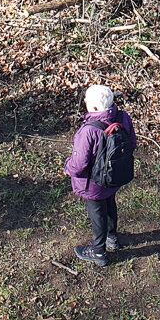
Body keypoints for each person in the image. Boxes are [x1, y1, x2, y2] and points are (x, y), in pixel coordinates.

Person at [63, 83, 135, 267]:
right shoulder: (123, 117)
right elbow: (132, 143)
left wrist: (67, 168)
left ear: (94, 108)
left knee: (97, 214)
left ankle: (98, 251)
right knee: (110, 205)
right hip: (114, 176)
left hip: (93, 184)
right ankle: (113, 238)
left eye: (86, 101)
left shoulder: (89, 131)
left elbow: (79, 165)